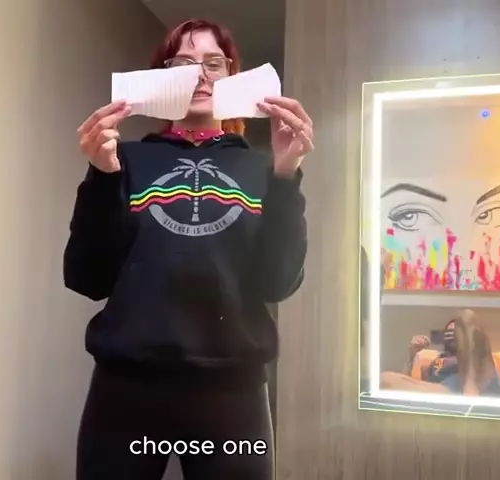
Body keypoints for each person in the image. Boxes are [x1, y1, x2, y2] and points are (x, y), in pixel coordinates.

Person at [66, 18, 313, 480]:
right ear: (161, 76)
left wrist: (286, 175)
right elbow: (87, 277)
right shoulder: (125, 160)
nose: (200, 74)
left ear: (232, 75)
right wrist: (102, 177)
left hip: (232, 390)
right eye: (183, 62)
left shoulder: (264, 167)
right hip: (127, 386)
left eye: (213, 63)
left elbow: (278, 283)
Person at [380, 310, 500, 397]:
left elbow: (493, 377)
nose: (453, 336)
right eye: (448, 333)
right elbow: (408, 386)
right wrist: (412, 356)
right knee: (385, 379)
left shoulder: (482, 360)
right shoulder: (436, 360)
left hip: (476, 387)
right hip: (445, 393)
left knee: (467, 316)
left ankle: (469, 388)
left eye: (457, 333)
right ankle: (467, 397)